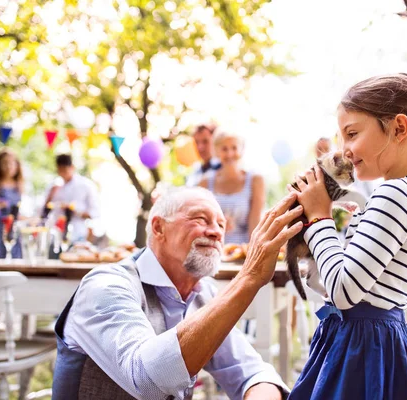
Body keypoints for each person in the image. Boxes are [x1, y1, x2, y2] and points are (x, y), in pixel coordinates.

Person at [288, 73, 407, 399]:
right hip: (365, 341)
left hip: (362, 352)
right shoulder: (399, 194)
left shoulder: (394, 195)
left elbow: (343, 292)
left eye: (352, 134)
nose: (345, 150)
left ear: (399, 128)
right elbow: (332, 284)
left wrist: (318, 217)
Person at [52, 186, 304, 399]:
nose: (216, 232)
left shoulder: (203, 293)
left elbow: (251, 372)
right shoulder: (106, 286)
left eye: (220, 224)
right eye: (200, 219)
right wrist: (248, 278)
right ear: (159, 228)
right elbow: (147, 380)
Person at [199, 129, 265, 244]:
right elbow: (201, 222)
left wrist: (250, 252)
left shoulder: (255, 180)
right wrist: (218, 223)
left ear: (242, 150)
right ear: (216, 152)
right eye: (224, 149)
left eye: (234, 148)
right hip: (213, 246)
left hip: (243, 248)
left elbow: (255, 224)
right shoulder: (205, 182)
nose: (229, 154)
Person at [44, 154, 100, 243]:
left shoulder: (85, 185)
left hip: (78, 235)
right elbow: (43, 211)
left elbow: (95, 213)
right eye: (60, 171)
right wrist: (51, 196)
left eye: (65, 170)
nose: (62, 174)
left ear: (72, 167)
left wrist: (74, 210)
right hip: (55, 235)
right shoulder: (54, 186)